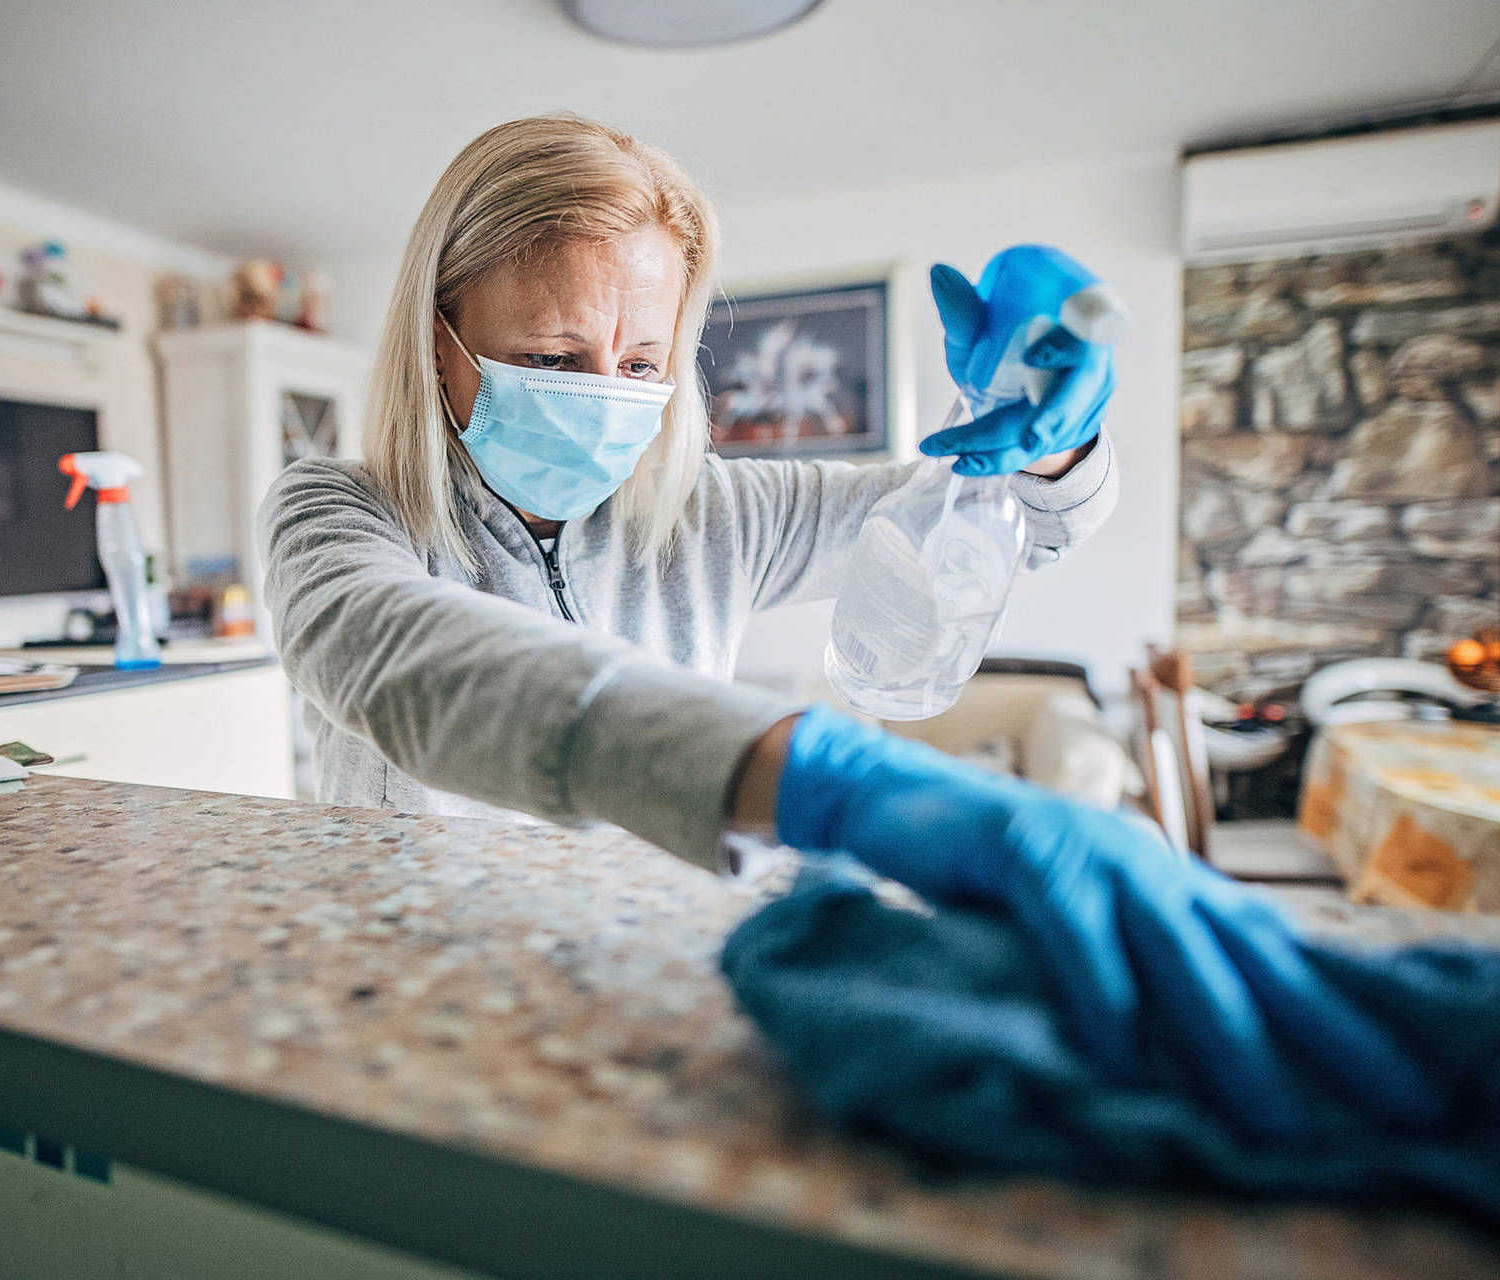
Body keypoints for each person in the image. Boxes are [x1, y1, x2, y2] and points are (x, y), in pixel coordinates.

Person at [261, 115, 1432, 1139]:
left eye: (641, 362)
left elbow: (993, 518)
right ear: (438, 345)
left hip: (655, 992)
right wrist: (828, 778)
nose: (604, 393)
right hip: (422, 1006)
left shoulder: (711, 514)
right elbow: (403, 656)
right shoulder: (335, 510)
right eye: (553, 359)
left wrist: (1041, 442)